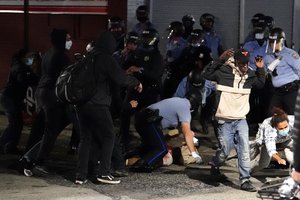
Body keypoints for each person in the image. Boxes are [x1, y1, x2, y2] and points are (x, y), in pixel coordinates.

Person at [75, 31, 142, 184]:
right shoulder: (106, 59)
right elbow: (120, 78)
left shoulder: (88, 57)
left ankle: (81, 175)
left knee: (86, 139)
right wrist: (136, 82)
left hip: (81, 104)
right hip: (98, 104)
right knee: (109, 136)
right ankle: (104, 172)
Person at [203, 48, 265, 192]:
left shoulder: (250, 74)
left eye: (246, 63)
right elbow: (206, 74)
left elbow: (260, 84)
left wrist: (260, 69)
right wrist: (219, 59)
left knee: (244, 149)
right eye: (241, 63)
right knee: (225, 151)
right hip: (224, 119)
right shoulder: (223, 71)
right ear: (236, 61)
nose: (244, 66)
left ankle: (245, 180)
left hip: (241, 119)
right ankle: (215, 164)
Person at [130, 93, 203, 172]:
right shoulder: (185, 109)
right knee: (161, 149)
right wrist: (194, 153)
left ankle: (126, 156)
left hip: (141, 117)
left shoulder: (179, 101)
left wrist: (188, 132)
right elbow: (186, 133)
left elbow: (181, 129)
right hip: (149, 121)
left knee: (149, 147)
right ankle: (141, 166)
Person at [119, 28, 163, 151]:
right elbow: (124, 66)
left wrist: (140, 70)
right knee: (125, 112)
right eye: (144, 38)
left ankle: (149, 142)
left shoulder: (157, 56)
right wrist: (125, 61)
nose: (146, 41)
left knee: (147, 117)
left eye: (149, 39)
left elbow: (155, 75)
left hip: (150, 91)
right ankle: (124, 139)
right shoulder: (137, 53)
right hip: (135, 90)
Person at [0, 49, 39, 154]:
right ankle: (3, 145)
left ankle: (11, 147)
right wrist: (31, 72)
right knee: (15, 123)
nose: (32, 59)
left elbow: (35, 80)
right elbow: (23, 80)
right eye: (30, 56)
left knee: (18, 123)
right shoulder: (19, 67)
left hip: (14, 98)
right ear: (23, 57)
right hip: (9, 98)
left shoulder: (24, 67)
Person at [264, 27, 300, 115]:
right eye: (271, 42)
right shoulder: (267, 56)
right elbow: (266, 73)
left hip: (291, 91)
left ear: (281, 41)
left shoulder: (290, 54)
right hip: (277, 91)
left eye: (275, 42)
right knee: (271, 115)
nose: (273, 44)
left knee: (293, 116)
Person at [251, 107, 294, 173]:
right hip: (265, 140)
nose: (284, 129)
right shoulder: (270, 130)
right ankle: (247, 172)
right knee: (263, 164)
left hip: (287, 138)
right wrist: (279, 159)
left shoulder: (294, 121)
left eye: (285, 127)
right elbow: (270, 149)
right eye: (281, 128)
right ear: (275, 127)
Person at [161, 21, 187, 99]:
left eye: (171, 31)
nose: (170, 33)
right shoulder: (170, 42)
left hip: (177, 72)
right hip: (168, 71)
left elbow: (178, 58)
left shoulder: (183, 44)